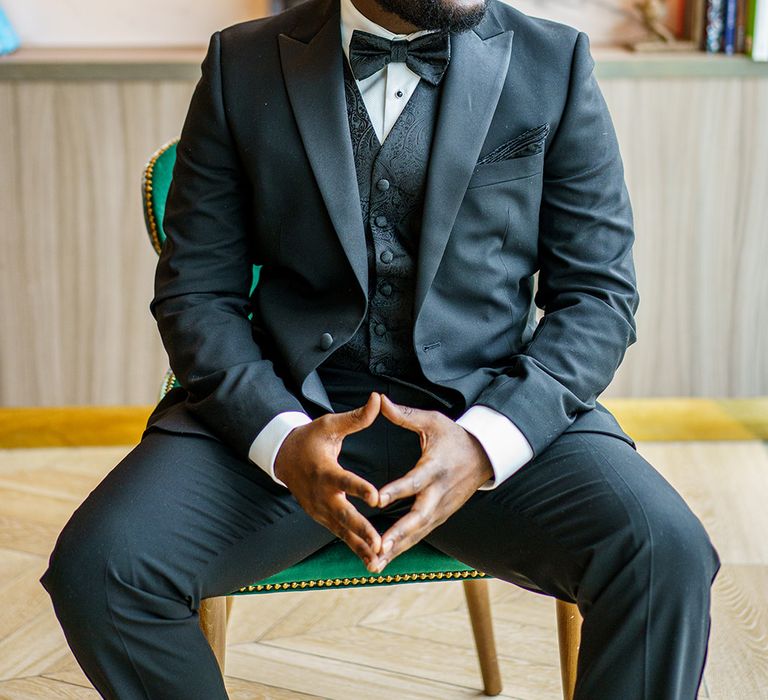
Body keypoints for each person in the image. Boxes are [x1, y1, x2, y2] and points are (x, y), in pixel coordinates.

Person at [40, 0, 721, 697]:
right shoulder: (240, 64)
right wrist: (280, 438)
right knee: (102, 569)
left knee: (664, 552)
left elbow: (598, 297)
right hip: (291, 411)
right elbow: (198, 296)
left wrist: (486, 443)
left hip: (487, 408)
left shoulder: (556, 62)